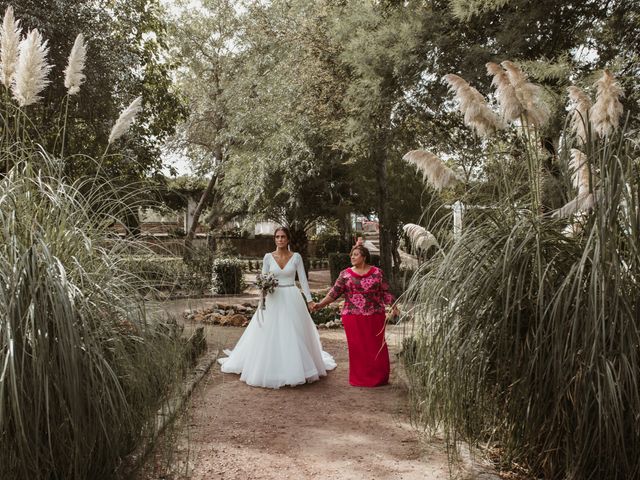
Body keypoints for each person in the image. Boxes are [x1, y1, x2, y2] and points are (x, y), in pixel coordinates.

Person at [217, 227, 336, 389]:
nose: (280, 239)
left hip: (292, 296)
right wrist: (263, 293)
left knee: (293, 332)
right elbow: (262, 279)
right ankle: (270, 367)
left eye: (283, 237)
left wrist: (309, 301)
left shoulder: (296, 257)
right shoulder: (267, 257)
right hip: (272, 298)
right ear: (275, 239)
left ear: (288, 239)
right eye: (277, 237)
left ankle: (296, 367)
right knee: (269, 332)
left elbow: (303, 280)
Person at [313, 245, 397, 387]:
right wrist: (320, 304)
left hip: (374, 315)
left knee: (376, 346)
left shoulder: (377, 273)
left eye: (356, 254)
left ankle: (380, 377)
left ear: (364, 257)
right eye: (352, 254)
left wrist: (394, 307)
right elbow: (334, 293)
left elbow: (386, 292)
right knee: (357, 347)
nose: (352, 257)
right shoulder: (345, 274)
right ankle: (360, 379)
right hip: (352, 316)